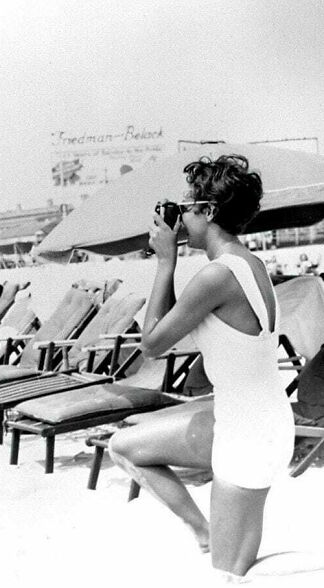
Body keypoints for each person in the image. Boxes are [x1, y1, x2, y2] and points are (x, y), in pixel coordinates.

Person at [108, 155, 294, 582]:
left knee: (228, 575)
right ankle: (204, 531)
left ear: (208, 211)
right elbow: (172, 325)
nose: (179, 217)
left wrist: (165, 262)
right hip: (256, 420)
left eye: (186, 206)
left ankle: (214, 540)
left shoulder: (216, 277)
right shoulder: (249, 265)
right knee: (125, 446)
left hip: (246, 437)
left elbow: (152, 345)